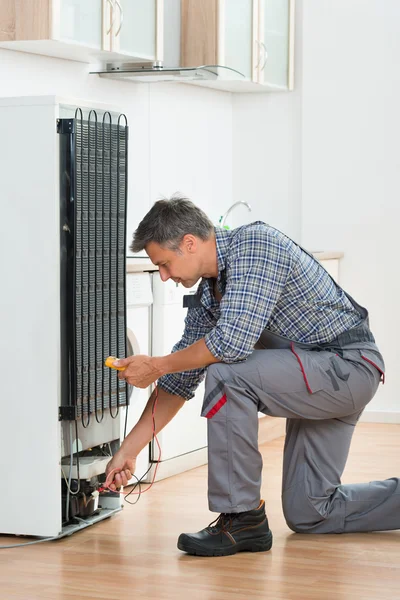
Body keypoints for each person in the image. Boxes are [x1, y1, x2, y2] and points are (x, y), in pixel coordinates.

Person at [105, 195, 394, 558]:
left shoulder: (255, 246)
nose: (163, 276)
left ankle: (243, 519)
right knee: (311, 512)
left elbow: (229, 345)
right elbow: (179, 383)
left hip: (346, 367)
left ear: (189, 243)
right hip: (316, 378)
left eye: (164, 263)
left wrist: (157, 365)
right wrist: (127, 451)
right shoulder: (210, 298)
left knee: (228, 374)